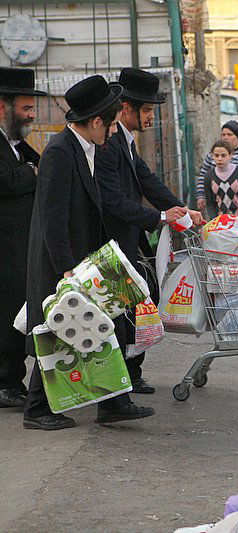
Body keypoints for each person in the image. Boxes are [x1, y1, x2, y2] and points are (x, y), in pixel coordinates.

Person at [24, 75, 155, 430]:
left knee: (106, 324)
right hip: (62, 259)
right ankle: (37, 408)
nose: (113, 133)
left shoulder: (86, 147)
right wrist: (66, 268)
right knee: (56, 331)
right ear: (96, 122)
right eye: (110, 126)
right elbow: (52, 218)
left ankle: (114, 402)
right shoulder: (59, 152)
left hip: (86, 256)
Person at [95, 68, 204, 395]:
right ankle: (121, 381)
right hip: (112, 238)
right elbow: (112, 199)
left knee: (138, 303)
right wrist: (160, 216)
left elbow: (148, 181)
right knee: (123, 310)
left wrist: (182, 209)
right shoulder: (109, 143)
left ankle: (132, 372)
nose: (150, 117)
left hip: (131, 236)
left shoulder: (126, 141)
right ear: (125, 108)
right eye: (145, 110)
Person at [0, 67, 46, 408]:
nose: (31, 115)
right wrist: (30, 172)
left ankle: (11, 379)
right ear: (3, 107)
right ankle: (5, 384)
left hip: (18, 245)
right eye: (26, 108)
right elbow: (7, 181)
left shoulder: (15, 143)